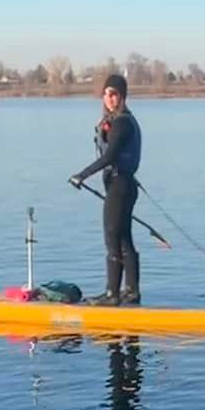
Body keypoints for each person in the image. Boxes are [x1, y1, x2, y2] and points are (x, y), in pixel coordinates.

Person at [69, 72, 144, 305]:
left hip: (121, 185)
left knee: (112, 236)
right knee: (123, 238)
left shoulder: (122, 123)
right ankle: (131, 292)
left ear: (122, 96)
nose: (108, 98)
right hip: (122, 185)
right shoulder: (115, 121)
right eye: (105, 94)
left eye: (113, 94)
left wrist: (82, 175)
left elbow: (110, 156)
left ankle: (113, 294)